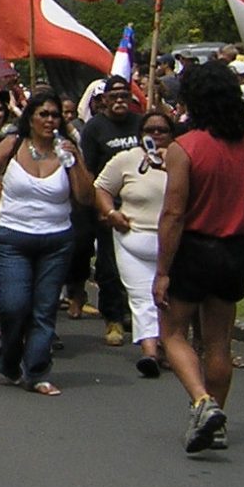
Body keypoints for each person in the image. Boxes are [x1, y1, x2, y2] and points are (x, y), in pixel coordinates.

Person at [0, 89, 92, 397]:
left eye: (54, 115)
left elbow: (84, 197)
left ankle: (37, 370)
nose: (50, 121)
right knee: (14, 306)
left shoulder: (67, 151)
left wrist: (74, 161)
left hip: (56, 240)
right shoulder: (12, 145)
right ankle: (10, 360)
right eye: (43, 114)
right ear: (31, 118)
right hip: (14, 238)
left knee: (44, 309)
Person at [154, 62, 244, 452]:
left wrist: (163, 269)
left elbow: (174, 213)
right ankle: (217, 419)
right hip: (233, 249)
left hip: (195, 248)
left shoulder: (186, 148)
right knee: (219, 344)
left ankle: (202, 401)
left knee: (172, 333)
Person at [93, 104, 176, 378]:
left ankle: (170, 347)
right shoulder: (126, 159)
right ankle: (150, 352)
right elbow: (102, 188)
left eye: (162, 130)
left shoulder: (184, 160)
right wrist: (111, 212)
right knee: (142, 299)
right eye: (150, 130)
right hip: (133, 240)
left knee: (170, 300)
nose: (156, 134)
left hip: (174, 244)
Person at [70, 76, 142, 341]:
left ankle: (137, 314)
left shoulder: (141, 124)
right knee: (110, 264)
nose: (120, 101)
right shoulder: (94, 129)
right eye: (115, 97)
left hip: (141, 206)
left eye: (125, 96)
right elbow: (88, 169)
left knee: (140, 266)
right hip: (107, 205)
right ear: (105, 100)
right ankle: (113, 318)